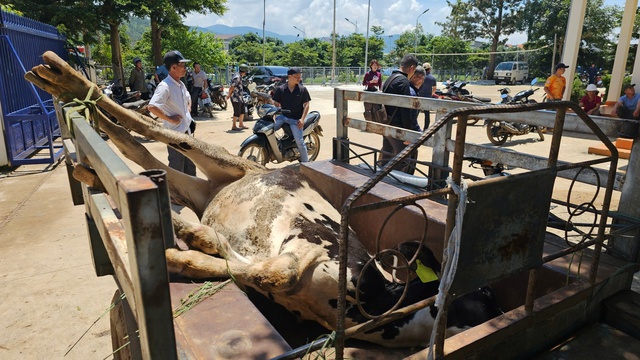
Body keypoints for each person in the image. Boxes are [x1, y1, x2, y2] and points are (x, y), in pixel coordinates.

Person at [147, 50, 196, 176]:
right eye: (182, 65)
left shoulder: (180, 84)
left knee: (190, 168)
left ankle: (189, 195)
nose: (185, 68)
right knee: (177, 170)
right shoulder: (165, 86)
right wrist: (170, 119)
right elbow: (152, 106)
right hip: (175, 136)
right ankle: (175, 195)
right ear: (173, 67)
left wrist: (187, 111)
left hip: (187, 134)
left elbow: (188, 98)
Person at [380, 54, 418, 173]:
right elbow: (405, 108)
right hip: (398, 126)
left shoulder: (390, 79)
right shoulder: (403, 81)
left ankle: (381, 179)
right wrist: (407, 133)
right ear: (412, 68)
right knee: (405, 158)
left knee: (387, 154)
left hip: (386, 122)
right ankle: (397, 184)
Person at [272, 67, 311, 162]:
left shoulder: (302, 89)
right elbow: (276, 103)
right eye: (296, 76)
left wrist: (302, 119)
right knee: (269, 129)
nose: (299, 78)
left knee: (300, 142)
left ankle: (306, 164)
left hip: (295, 120)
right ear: (289, 77)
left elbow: (306, 105)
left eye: (299, 76)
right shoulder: (281, 89)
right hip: (283, 117)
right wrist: (275, 114)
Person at [226, 64, 248, 131]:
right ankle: (234, 126)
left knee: (242, 110)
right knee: (237, 111)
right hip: (235, 97)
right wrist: (229, 95)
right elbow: (232, 87)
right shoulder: (237, 77)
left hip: (240, 97)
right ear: (244, 71)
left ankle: (241, 124)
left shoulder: (239, 76)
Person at [417, 62, 437, 129]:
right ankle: (425, 129)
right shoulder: (432, 78)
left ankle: (413, 126)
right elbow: (434, 89)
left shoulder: (420, 77)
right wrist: (431, 94)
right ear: (429, 69)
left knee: (416, 113)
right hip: (427, 98)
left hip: (419, 97)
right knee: (427, 114)